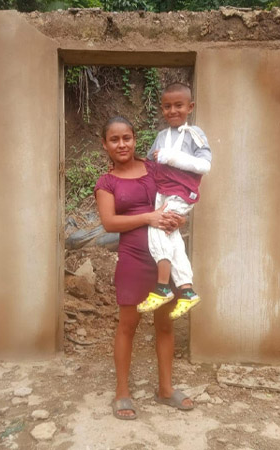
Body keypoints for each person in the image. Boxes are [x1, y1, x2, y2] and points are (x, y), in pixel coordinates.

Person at [94, 116, 195, 420]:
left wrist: (180, 219)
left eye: (127, 137)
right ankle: (122, 392)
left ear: (135, 139)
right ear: (105, 144)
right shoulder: (106, 182)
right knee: (128, 325)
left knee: (165, 324)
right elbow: (109, 222)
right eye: (115, 139)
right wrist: (148, 217)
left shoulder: (154, 169)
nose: (122, 144)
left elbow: (177, 200)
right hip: (133, 259)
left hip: (164, 257)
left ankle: (165, 389)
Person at [136, 82, 212, 320]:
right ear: (162, 109)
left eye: (178, 105)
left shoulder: (195, 134)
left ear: (190, 107)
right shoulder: (161, 136)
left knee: (157, 227)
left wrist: (171, 157)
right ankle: (187, 291)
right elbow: (149, 165)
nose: (172, 111)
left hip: (181, 192)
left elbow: (204, 166)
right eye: (167, 106)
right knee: (172, 236)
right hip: (163, 192)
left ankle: (163, 287)